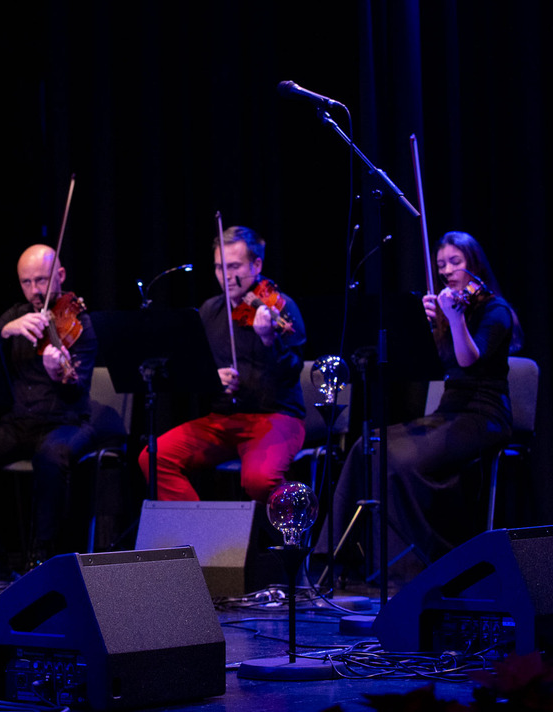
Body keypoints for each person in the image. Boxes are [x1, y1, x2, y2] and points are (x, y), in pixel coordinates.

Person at [328, 231, 521, 571]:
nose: (446, 270)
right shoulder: (449, 311)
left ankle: (414, 564)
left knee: (399, 460)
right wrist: (426, 326)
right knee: (366, 446)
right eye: (441, 264)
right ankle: (342, 556)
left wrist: (454, 318)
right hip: (449, 411)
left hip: (484, 415)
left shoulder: (496, 310)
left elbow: (467, 359)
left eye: (455, 262)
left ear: (475, 264)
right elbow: (426, 363)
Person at [0, 244, 98, 577]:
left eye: (42, 280)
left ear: (60, 275)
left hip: (66, 422)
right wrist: (3, 332)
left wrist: (58, 373)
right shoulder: (15, 316)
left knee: (50, 456)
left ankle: (43, 553)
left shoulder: (79, 322)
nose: (35, 290)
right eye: (27, 282)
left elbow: (77, 390)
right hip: (18, 424)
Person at [138, 225, 306, 503]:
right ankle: (200, 528)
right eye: (219, 267)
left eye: (234, 266)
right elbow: (193, 367)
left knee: (260, 480)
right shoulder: (210, 310)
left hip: (275, 418)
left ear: (257, 265)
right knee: (153, 458)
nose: (226, 276)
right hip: (223, 420)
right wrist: (212, 379)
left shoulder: (281, 308)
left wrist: (268, 339)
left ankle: (293, 523)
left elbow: (292, 371)